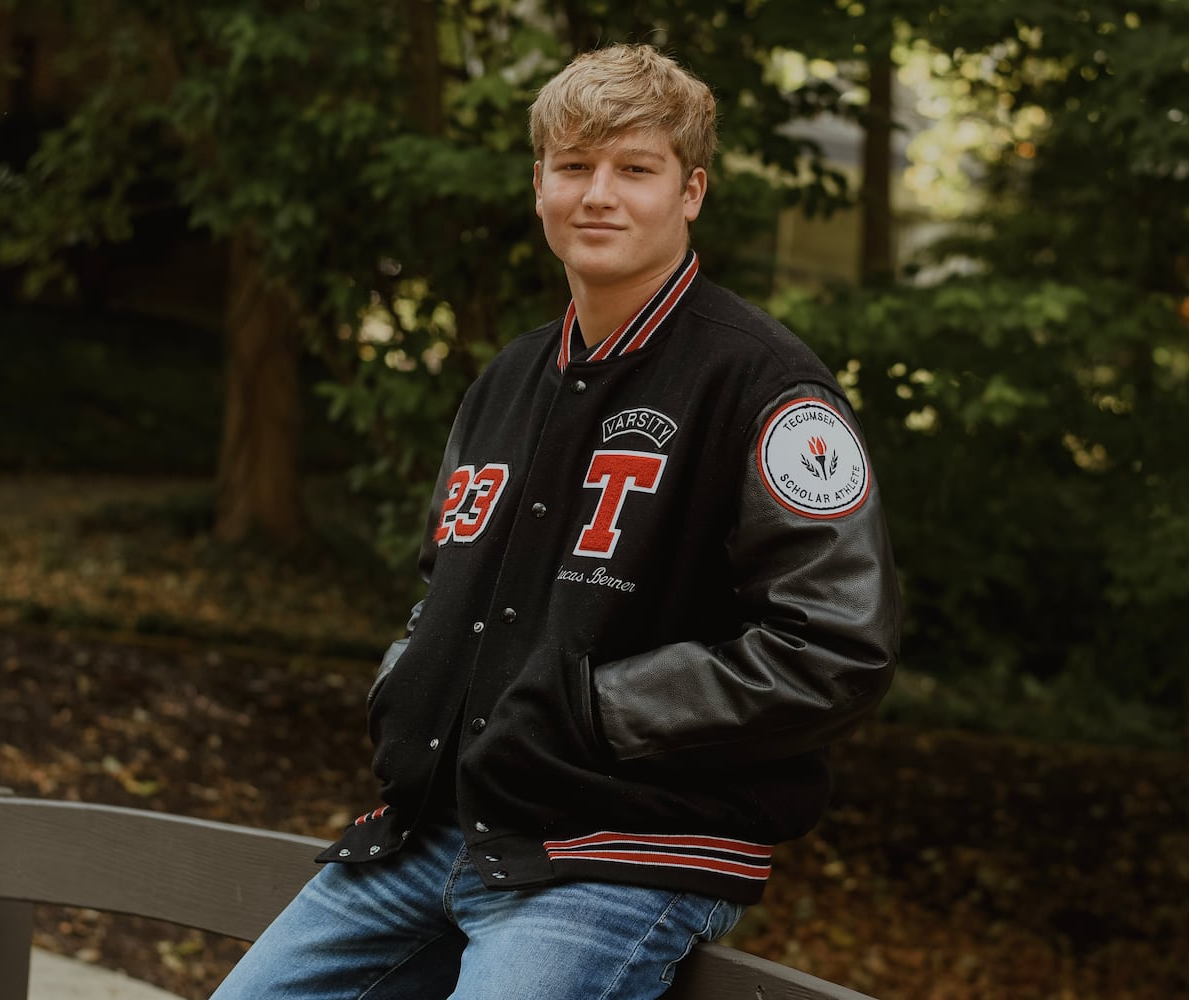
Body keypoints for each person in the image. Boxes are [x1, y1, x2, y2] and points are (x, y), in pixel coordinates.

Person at [211, 42, 899, 1000]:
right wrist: (411, 686)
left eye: (635, 168)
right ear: (539, 184)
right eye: (573, 167)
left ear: (691, 191)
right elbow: (439, 590)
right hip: (433, 833)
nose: (598, 195)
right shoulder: (506, 378)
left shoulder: (766, 387)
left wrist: (590, 711)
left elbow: (833, 648)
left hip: (619, 858)